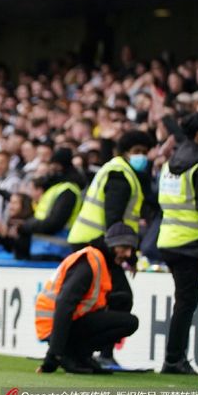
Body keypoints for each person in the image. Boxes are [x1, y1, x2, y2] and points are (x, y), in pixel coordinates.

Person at [66, 129, 153, 368]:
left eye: (145, 153)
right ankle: (97, 353)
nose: (142, 157)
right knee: (121, 298)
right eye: (137, 152)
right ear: (125, 152)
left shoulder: (119, 170)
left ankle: (90, 352)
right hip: (97, 245)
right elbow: (113, 218)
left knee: (111, 298)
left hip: (97, 243)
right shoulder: (120, 176)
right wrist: (128, 253)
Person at [35, 223, 140, 374]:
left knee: (124, 307)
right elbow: (65, 304)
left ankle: (81, 355)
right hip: (54, 326)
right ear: (111, 245)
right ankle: (68, 354)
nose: (128, 254)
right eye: (124, 248)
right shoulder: (90, 261)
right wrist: (53, 355)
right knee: (129, 321)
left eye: (131, 250)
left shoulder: (104, 260)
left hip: (68, 323)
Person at [157, 112, 198, 375]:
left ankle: (174, 358)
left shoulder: (170, 163)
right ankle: (173, 360)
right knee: (186, 302)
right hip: (190, 242)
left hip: (169, 238)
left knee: (184, 301)